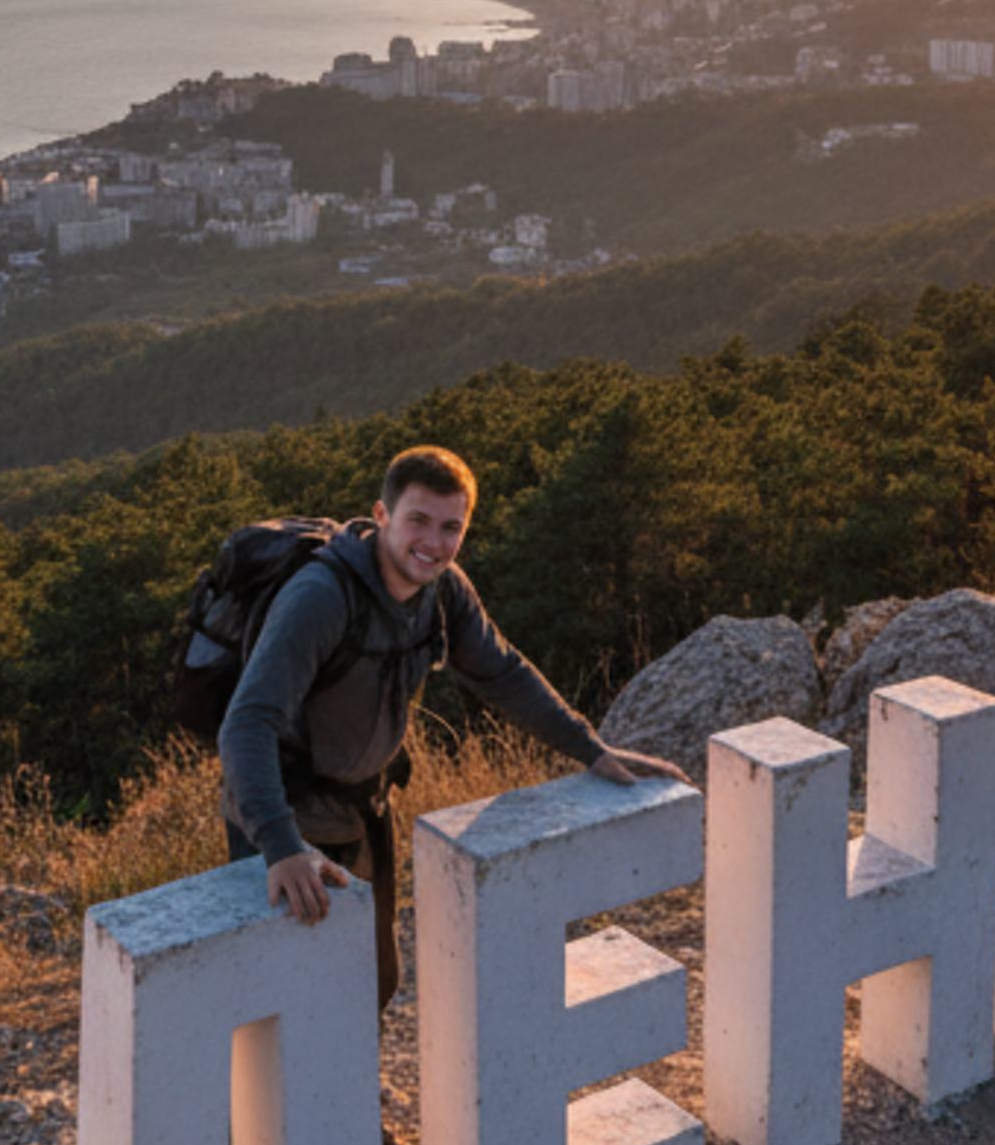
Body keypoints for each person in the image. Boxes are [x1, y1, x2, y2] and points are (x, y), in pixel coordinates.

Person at [217, 444, 676, 1105]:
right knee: (283, 998)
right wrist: (281, 848)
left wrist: (590, 748)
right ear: (382, 515)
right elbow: (247, 723)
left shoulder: (442, 592)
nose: (433, 543)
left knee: (370, 981)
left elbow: (503, 672)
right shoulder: (321, 597)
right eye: (419, 521)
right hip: (285, 821)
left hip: (363, 811)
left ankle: (351, 1137)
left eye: (451, 527)